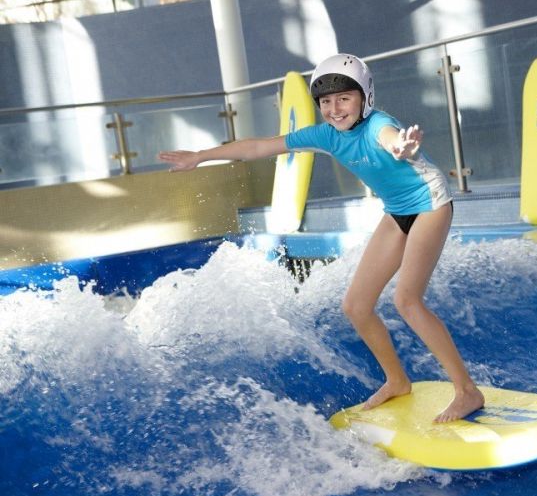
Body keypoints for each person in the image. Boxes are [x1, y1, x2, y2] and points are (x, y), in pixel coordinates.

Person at [158, 54, 484, 423]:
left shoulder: (379, 124)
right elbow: (259, 146)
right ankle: (397, 380)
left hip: (430, 203)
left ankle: (467, 391)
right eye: (326, 101)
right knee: (356, 306)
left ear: (364, 97)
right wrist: (201, 156)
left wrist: (401, 148)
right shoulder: (326, 136)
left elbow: (391, 140)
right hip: (396, 210)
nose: (334, 108)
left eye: (344, 98)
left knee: (407, 300)